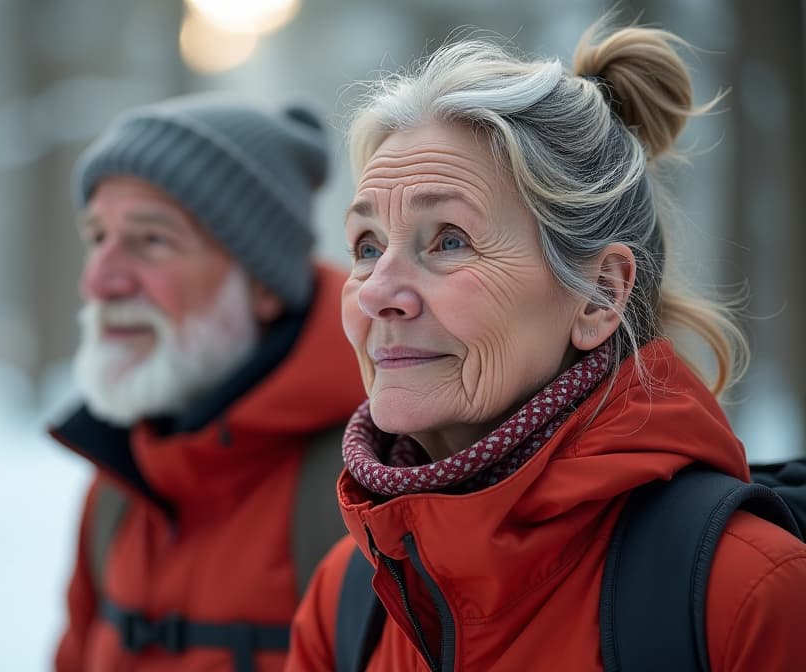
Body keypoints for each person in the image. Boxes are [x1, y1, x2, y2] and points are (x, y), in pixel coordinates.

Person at [285, 18, 806, 672]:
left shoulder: (745, 592)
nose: (375, 291)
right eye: (367, 246)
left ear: (597, 296)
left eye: (448, 240)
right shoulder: (349, 598)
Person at [51, 93, 364, 672]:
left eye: (151, 241)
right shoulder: (120, 480)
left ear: (266, 286)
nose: (100, 280)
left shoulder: (370, 491)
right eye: (97, 238)